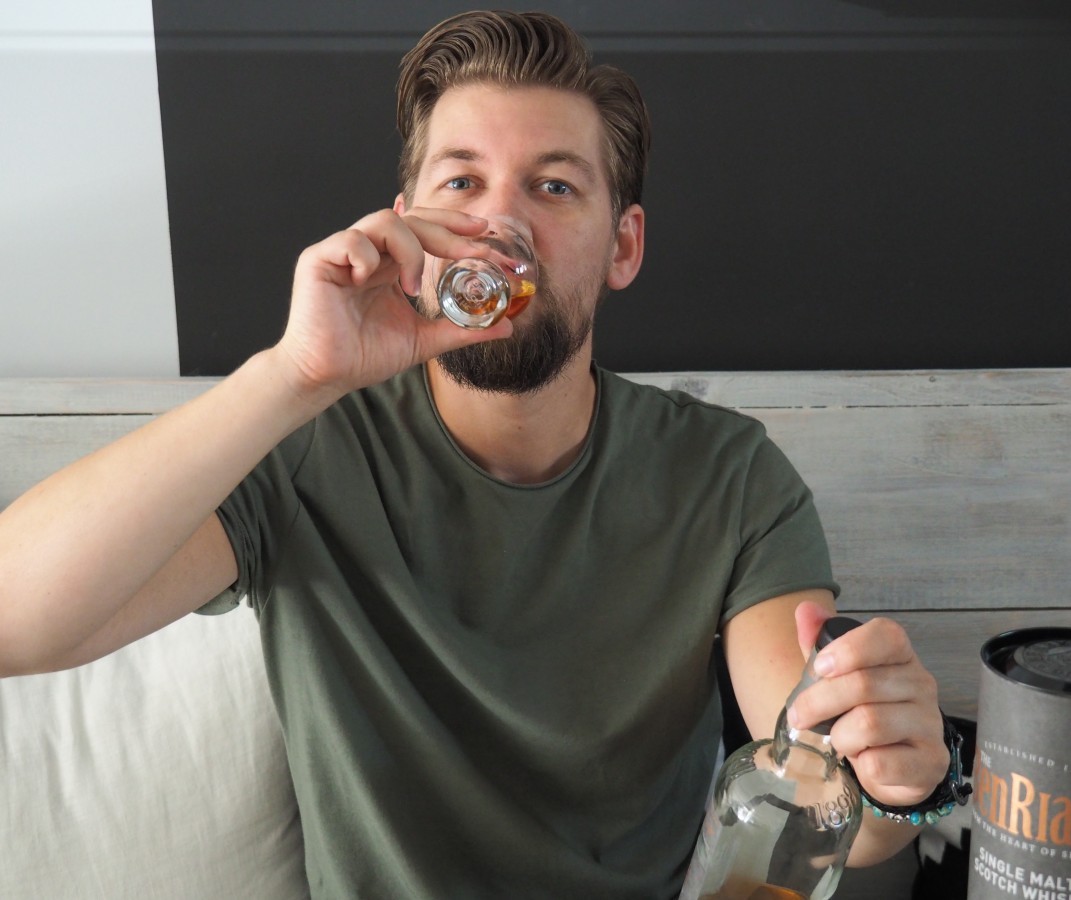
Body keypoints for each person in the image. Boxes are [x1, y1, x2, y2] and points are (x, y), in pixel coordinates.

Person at [0, 10, 959, 899]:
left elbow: (826, 784)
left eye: (554, 186)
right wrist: (293, 373)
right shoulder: (305, 448)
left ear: (622, 247)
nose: (502, 228)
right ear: (405, 226)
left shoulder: (727, 476)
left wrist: (894, 775)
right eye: (462, 183)